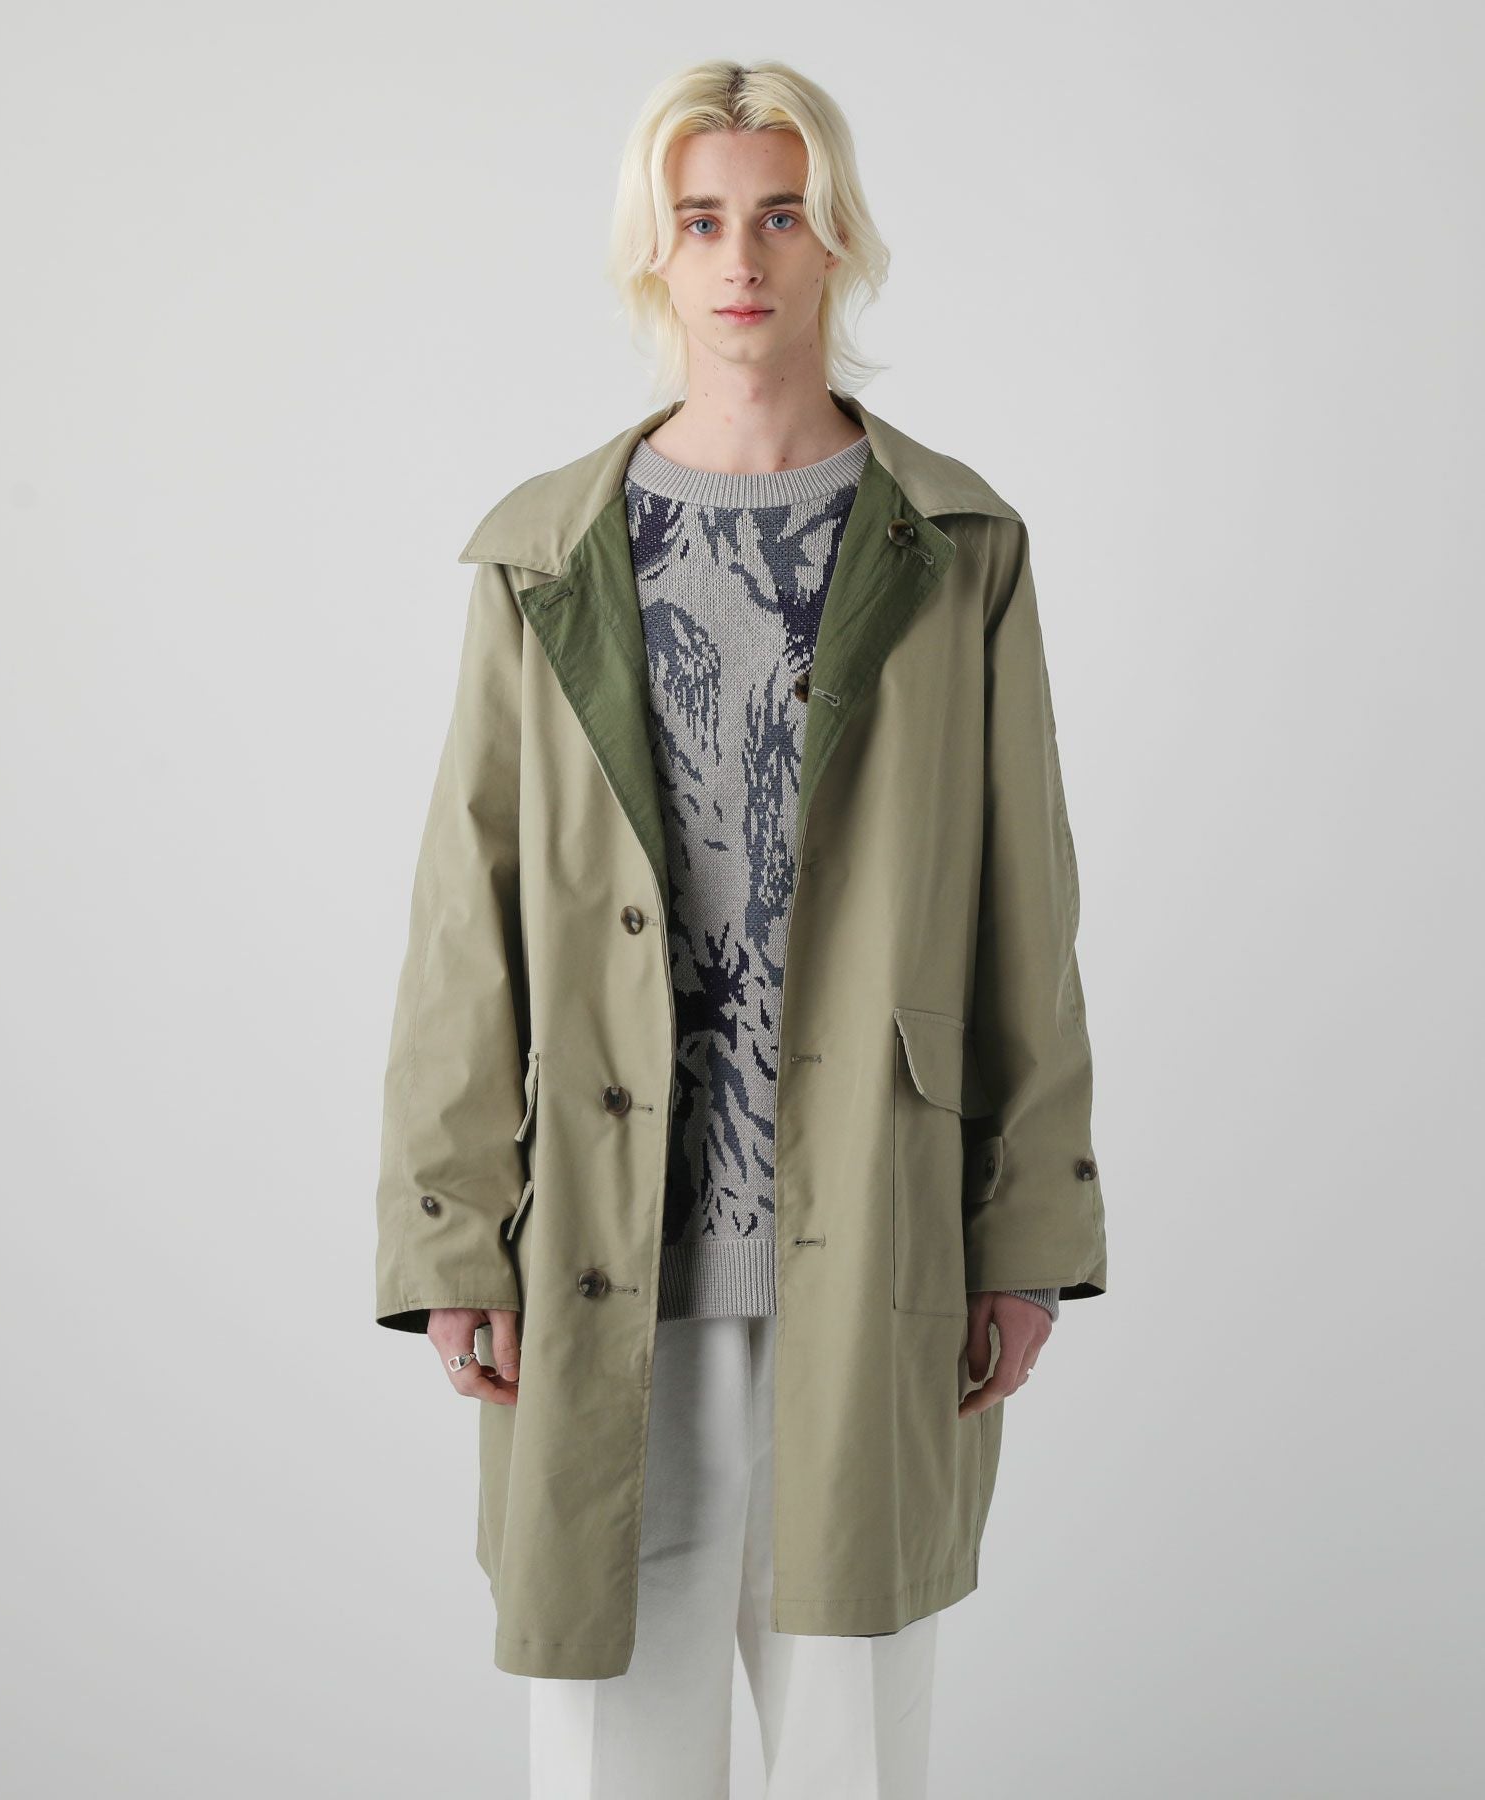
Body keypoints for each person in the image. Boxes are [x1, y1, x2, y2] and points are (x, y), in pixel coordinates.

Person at [373, 58, 1107, 1799]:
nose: (742, 258)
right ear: (655, 251)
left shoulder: (956, 543)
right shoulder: (547, 553)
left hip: (878, 1234)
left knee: (857, 1753)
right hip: (603, 1250)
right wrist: (450, 1236)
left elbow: (1026, 905)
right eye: (700, 220)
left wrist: (1025, 1234)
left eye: (781, 213)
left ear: (836, 236)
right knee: (611, 1749)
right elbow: (469, 915)